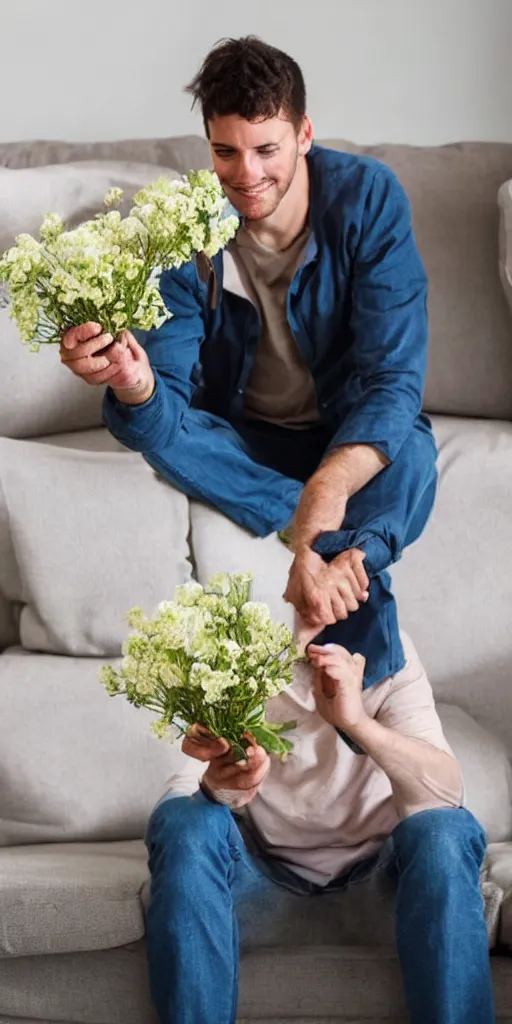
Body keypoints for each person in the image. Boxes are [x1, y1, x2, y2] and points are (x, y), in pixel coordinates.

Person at [60, 35, 438, 688]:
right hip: (244, 439)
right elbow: (165, 407)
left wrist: (327, 488)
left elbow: (391, 381)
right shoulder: (185, 229)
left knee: (412, 445)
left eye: (266, 149)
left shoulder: (368, 198)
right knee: (156, 431)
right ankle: (341, 554)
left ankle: (342, 557)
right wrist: (134, 381)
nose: (246, 174)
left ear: (304, 134)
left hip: (342, 429)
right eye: (225, 151)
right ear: (208, 143)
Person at [145, 636, 494, 1024]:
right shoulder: (239, 648)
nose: (324, 603)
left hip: (383, 892)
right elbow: (177, 806)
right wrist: (219, 786)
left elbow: (447, 794)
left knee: (444, 830)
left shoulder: (390, 650)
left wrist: (356, 722)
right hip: (260, 888)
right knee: (187, 822)